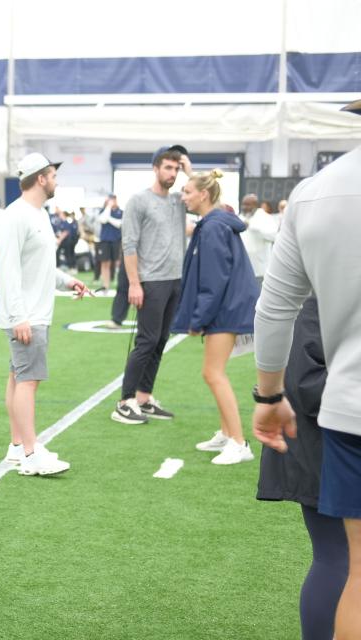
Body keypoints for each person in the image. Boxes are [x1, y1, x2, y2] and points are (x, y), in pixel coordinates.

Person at [252, 97, 361, 640]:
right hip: (335, 399)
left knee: (346, 566)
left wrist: (267, 397)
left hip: (345, 407)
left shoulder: (316, 191)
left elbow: (274, 309)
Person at [256, 298, 348, 640]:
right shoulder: (319, 301)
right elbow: (307, 385)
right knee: (335, 557)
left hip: (328, 445)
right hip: (323, 448)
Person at [0, 152, 91, 475]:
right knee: (29, 381)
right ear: (40, 178)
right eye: (53, 174)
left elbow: (41, 266)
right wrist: (19, 316)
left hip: (33, 312)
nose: (56, 180)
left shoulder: (39, 215)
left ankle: (18, 445)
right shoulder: (15, 215)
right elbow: (7, 271)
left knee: (19, 377)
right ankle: (31, 455)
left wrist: (68, 281)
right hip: (27, 316)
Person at [171, 170, 259, 464]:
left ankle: (238, 442)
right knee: (213, 372)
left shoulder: (212, 227)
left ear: (203, 195)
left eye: (187, 192)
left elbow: (214, 279)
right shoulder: (214, 224)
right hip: (228, 305)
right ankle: (226, 433)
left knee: (212, 373)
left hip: (226, 308)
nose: (183, 197)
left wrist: (197, 320)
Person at [111, 145, 192, 424]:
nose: (172, 173)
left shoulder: (179, 201)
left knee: (160, 341)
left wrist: (188, 167)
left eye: (176, 168)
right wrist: (134, 283)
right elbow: (129, 243)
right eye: (168, 167)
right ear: (156, 169)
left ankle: (144, 398)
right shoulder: (139, 201)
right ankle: (124, 401)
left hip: (174, 280)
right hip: (150, 281)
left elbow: (204, 190)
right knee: (146, 342)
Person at [239, 193, 282, 284]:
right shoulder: (240, 218)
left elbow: (274, 236)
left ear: (255, 205)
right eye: (243, 204)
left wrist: (252, 226)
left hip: (260, 270)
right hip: (242, 269)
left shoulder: (266, 218)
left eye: (248, 204)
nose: (244, 207)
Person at [97, 195, 123, 292]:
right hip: (105, 241)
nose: (112, 201)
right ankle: (105, 286)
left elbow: (119, 224)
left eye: (113, 199)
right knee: (105, 263)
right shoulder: (104, 210)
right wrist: (108, 207)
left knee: (117, 263)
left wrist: (109, 219)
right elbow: (102, 220)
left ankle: (120, 284)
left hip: (116, 240)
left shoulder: (120, 212)